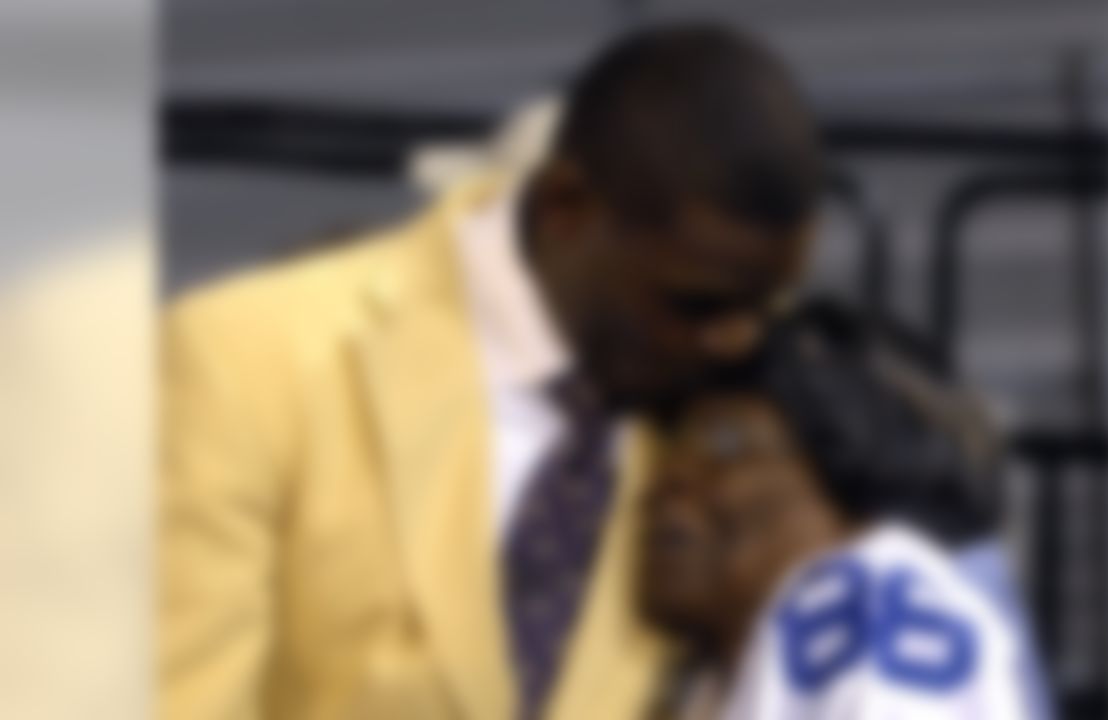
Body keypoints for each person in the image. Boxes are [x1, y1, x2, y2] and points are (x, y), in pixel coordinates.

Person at [160, 23, 822, 720]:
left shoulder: (742, 432)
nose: (734, 341)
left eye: (764, 307)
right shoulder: (243, 362)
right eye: (698, 304)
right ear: (566, 206)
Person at [639, 302, 1034, 719]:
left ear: (852, 488)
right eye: (670, 449)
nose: (669, 479)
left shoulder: (879, 603)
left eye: (726, 444)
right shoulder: (716, 675)